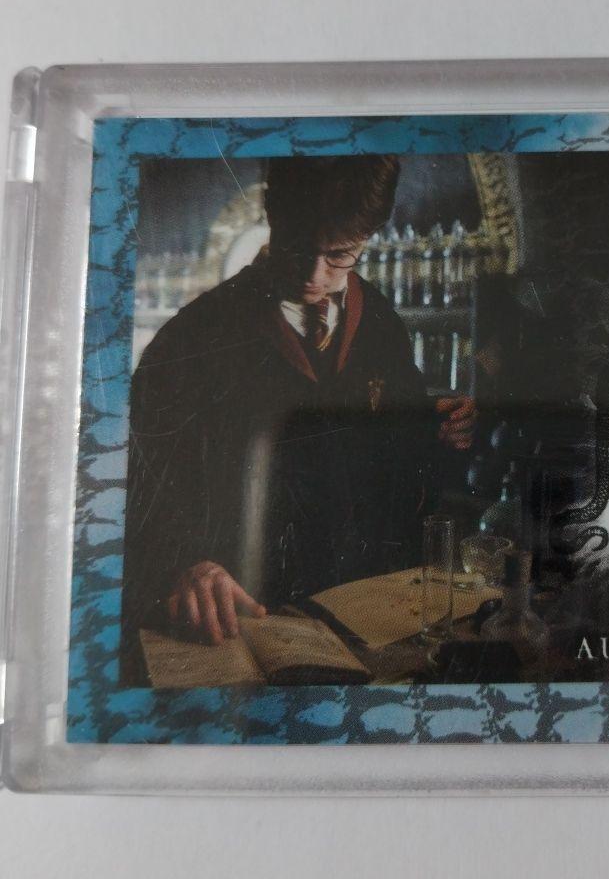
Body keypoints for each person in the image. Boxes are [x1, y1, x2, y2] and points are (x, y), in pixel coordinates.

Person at [121, 155, 476, 670]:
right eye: (297, 247)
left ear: (370, 237)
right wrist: (184, 563)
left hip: (364, 612)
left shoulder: (381, 322)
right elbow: (137, 487)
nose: (314, 275)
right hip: (241, 617)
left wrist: (437, 428)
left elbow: (400, 449)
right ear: (271, 214)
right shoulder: (190, 339)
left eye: (339, 256)